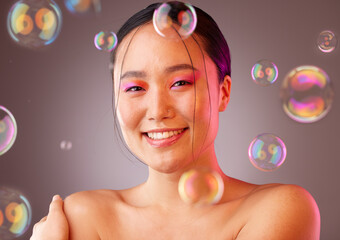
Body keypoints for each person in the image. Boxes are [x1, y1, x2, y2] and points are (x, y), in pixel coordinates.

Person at [30, 2, 320, 239]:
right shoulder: (82, 214)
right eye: (134, 88)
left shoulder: (280, 208)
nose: (157, 111)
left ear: (223, 91)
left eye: (180, 83)